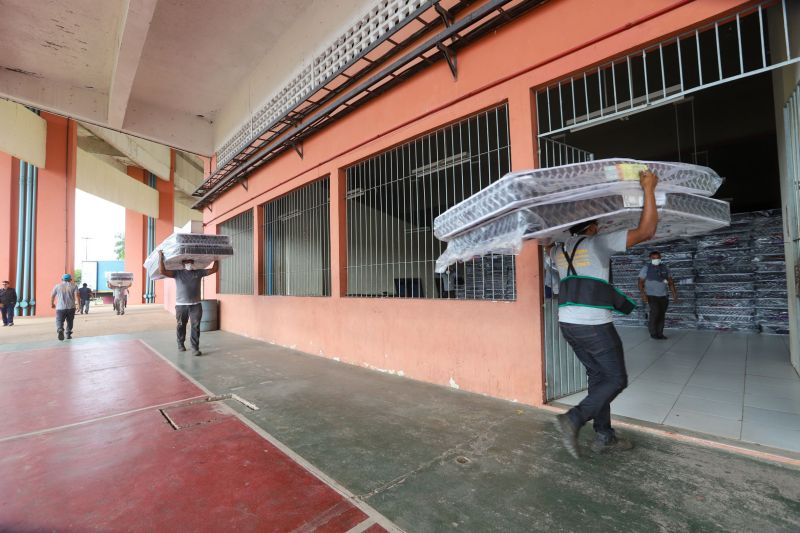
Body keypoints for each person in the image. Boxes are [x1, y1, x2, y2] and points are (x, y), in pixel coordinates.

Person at [551, 170, 659, 458]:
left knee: (598, 376)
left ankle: (604, 436)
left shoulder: (558, 251)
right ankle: (573, 419)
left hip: (568, 324)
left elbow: (550, 257)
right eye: (597, 223)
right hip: (594, 325)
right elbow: (646, 231)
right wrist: (648, 188)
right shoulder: (597, 243)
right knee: (616, 379)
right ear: (592, 227)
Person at [158, 250, 218, 356]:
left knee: (196, 326)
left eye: (190, 262)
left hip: (196, 305)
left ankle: (195, 348)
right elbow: (162, 271)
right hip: (181, 305)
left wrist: (217, 258)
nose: (189, 264)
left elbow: (214, 270)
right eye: (186, 262)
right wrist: (160, 257)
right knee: (181, 325)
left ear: (193, 263)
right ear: (183, 264)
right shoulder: (177, 273)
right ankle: (180, 343)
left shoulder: (198, 272)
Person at [639, 251, 678, 340]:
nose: (656, 259)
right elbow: (640, 282)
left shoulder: (665, 268)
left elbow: (671, 282)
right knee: (655, 313)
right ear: (650, 258)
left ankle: (660, 333)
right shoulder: (646, 268)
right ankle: (653, 333)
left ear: (660, 258)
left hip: (664, 295)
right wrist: (643, 294)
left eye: (657, 258)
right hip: (651, 295)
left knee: (661, 314)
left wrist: (674, 295)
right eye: (653, 258)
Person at [51, 274, 79, 340]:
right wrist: (79, 305)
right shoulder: (74, 286)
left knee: (59, 320)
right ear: (70, 279)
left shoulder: (57, 286)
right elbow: (77, 296)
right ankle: (68, 334)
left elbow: (52, 296)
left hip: (60, 307)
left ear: (62, 279)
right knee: (70, 321)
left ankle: (60, 329)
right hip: (71, 307)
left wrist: (52, 304)